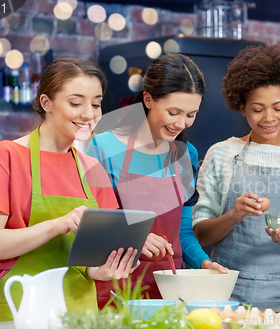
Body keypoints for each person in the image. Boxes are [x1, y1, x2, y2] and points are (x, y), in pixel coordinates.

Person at [0, 58, 139, 321]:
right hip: (23, 311)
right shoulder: (6, 157)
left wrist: (102, 270)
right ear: (46, 103)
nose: (89, 114)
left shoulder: (91, 167)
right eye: (76, 103)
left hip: (81, 315)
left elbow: (93, 259)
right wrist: (57, 225)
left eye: (96, 103)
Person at [86, 54, 226, 307]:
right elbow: (90, 225)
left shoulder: (187, 154)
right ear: (148, 99)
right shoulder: (103, 147)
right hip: (115, 292)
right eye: (173, 112)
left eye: (190, 115)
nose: (180, 124)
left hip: (170, 295)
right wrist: (132, 236)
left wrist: (204, 263)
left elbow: (182, 233)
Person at [192, 45, 280, 302]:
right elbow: (201, 232)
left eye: (278, 108)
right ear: (242, 108)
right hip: (227, 294)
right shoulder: (221, 154)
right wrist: (234, 214)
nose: (268, 118)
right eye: (257, 109)